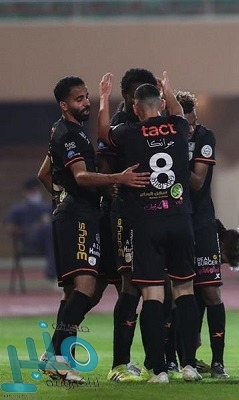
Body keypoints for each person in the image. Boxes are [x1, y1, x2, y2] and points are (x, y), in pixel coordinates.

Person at [40, 75, 149, 382]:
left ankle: (55, 356)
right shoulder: (70, 135)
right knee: (85, 288)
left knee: (77, 292)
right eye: (79, 99)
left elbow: (43, 174)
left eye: (86, 97)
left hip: (77, 214)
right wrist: (117, 178)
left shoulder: (66, 131)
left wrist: (61, 198)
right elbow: (81, 176)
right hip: (78, 218)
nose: (85, 103)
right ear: (64, 105)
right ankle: (58, 359)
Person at [98, 72, 201, 383]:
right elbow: (178, 111)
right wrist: (168, 88)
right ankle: (189, 366)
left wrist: (103, 98)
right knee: (184, 290)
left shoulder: (130, 132)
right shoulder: (179, 126)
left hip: (147, 221)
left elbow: (103, 133)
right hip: (180, 218)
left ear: (135, 108)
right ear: (162, 104)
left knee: (153, 294)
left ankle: (158, 370)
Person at [99, 68, 159, 383]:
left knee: (158, 286)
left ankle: (159, 362)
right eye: (136, 93)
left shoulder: (157, 121)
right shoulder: (121, 125)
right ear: (126, 97)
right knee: (129, 285)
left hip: (156, 212)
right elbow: (105, 159)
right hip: (126, 213)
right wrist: (113, 186)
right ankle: (119, 363)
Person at [176, 90, 229, 378]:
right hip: (172, 222)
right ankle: (181, 359)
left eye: (193, 123)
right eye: (185, 125)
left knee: (210, 290)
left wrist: (173, 154)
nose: (191, 129)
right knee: (176, 293)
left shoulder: (205, 137)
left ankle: (218, 361)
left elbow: (197, 182)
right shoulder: (160, 138)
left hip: (201, 222)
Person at [3, 177, 56, 280]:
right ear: (25, 192)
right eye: (32, 190)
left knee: (51, 229)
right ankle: (53, 274)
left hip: (49, 241)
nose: (35, 193)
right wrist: (31, 228)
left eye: (36, 190)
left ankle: (64, 274)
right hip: (30, 242)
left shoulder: (47, 207)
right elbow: (10, 228)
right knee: (47, 228)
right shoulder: (18, 209)